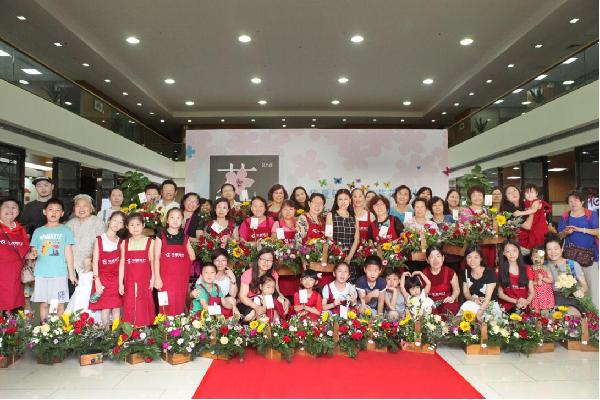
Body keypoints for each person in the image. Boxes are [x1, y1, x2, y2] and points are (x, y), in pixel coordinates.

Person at [30, 198, 77, 321]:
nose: (54, 212)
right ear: (44, 211)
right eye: (50, 209)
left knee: (57, 304)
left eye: (57, 210)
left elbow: (69, 253)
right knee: (44, 304)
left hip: (59, 274)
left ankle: (55, 329)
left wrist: (71, 273)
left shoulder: (66, 230)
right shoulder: (38, 231)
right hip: (41, 273)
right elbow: (33, 251)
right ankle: (44, 329)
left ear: (62, 213)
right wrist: (33, 253)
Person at [558, 190, 599, 307]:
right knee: (573, 287)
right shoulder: (565, 216)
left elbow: (598, 231)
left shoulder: (591, 215)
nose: (573, 203)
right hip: (570, 258)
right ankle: (579, 312)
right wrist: (565, 232)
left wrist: (581, 229)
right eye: (570, 201)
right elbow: (560, 235)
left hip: (590, 257)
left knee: (592, 286)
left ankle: (595, 312)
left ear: (582, 202)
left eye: (576, 200)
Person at [154, 208, 196, 316]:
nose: (175, 220)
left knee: (178, 303)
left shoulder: (185, 237)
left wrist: (186, 245)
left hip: (180, 279)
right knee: (164, 304)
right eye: (172, 217)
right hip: (164, 278)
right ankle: (164, 325)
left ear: (182, 221)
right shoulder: (161, 235)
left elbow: (192, 257)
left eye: (178, 218)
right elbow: (156, 258)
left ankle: (177, 325)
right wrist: (157, 278)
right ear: (167, 220)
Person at [118, 213, 155, 326]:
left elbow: (152, 261)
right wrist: (120, 283)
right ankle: (129, 330)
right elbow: (122, 263)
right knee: (129, 303)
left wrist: (153, 278)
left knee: (144, 303)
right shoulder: (124, 243)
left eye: (138, 224)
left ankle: (145, 330)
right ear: (127, 227)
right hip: (129, 280)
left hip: (145, 280)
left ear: (143, 225)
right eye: (132, 225)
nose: (135, 228)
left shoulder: (150, 242)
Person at [89, 211, 125, 328]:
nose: (116, 223)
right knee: (105, 308)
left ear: (122, 226)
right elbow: (95, 260)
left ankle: (115, 333)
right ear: (109, 220)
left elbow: (122, 263)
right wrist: (97, 280)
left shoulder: (121, 242)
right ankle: (106, 333)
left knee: (116, 308)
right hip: (102, 279)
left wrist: (121, 283)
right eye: (115, 220)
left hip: (115, 279)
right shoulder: (99, 239)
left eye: (120, 222)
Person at [0, 198, 35, 312]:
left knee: (13, 309)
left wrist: (30, 255)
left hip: (16, 278)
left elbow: (24, 251)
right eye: (6, 206)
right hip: (1, 276)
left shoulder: (21, 230)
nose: (10, 210)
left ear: (18, 212)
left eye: (14, 207)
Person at [238, 248, 289, 321]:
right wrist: (256, 307)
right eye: (263, 259)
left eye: (269, 260)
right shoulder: (248, 274)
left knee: (280, 309)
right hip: (249, 302)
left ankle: (274, 326)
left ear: (272, 262)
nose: (266, 262)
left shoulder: (273, 274)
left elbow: (277, 292)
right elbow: (242, 296)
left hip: (266, 300)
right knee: (251, 315)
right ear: (258, 260)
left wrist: (286, 301)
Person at [545, 234, 590, 315]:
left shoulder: (572, 264)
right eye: (549, 249)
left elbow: (585, 288)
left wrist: (580, 291)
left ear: (562, 249)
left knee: (569, 314)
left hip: (571, 300)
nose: (553, 252)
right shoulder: (545, 267)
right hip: (553, 300)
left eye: (556, 249)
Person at [66, 194, 105, 280]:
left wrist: (92, 262)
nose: (81, 209)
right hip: (70, 268)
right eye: (78, 206)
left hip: (90, 267)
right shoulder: (69, 224)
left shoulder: (98, 223)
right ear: (74, 209)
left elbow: (103, 246)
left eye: (85, 206)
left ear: (91, 209)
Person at [459, 245, 500, 321]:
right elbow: (466, 293)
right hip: (474, 303)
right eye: (469, 257)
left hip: (489, 305)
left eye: (476, 257)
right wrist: (474, 300)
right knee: (461, 317)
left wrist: (480, 312)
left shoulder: (489, 273)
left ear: (481, 258)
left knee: (490, 324)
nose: (472, 261)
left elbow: (488, 298)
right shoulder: (465, 272)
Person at [461, 185, 496, 268]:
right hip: (474, 248)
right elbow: (467, 230)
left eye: (479, 195)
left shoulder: (487, 210)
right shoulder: (465, 211)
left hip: (489, 245)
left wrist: (493, 219)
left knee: (488, 270)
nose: (477, 197)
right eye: (474, 195)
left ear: (483, 197)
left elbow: (493, 229)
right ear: (470, 198)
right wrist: (479, 218)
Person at [497, 240, 534, 313]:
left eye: (514, 250)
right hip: (507, 306)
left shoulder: (527, 268)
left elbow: (532, 291)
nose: (512, 254)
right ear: (503, 253)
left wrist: (527, 301)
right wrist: (516, 301)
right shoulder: (499, 270)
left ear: (518, 251)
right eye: (508, 251)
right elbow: (500, 294)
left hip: (524, 304)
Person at [422, 245, 460, 316]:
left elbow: (456, 290)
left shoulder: (450, 272)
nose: (435, 260)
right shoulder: (423, 274)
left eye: (438, 256)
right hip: (430, 305)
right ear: (427, 260)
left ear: (443, 258)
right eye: (432, 257)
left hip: (446, 303)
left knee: (449, 308)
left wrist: (452, 298)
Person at [326, 189, 360, 263]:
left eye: (345, 199)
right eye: (340, 199)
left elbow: (356, 240)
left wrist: (348, 258)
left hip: (351, 256)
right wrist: (339, 254)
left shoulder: (354, 217)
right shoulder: (330, 215)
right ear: (336, 201)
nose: (343, 202)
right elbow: (329, 237)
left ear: (350, 200)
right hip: (335, 256)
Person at [210, 248, 239, 315]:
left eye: (223, 260)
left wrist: (233, 278)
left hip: (223, 303)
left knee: (232, 300)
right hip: (209, 302)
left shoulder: (229, 275)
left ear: (227, 262)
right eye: (217, 260)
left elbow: (233, 295)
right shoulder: (208, 273)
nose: (220, 263)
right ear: (213, 262)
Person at [530, 246, 554, 312]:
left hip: (546, 294)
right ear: (532, 258)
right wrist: (536, 282)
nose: (538, 260)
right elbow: (528, 282)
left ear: (544, 259)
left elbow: (551, 280)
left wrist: (543, 278)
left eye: (541, 258)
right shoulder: (530, 268)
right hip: (536, 294)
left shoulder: (546, 268)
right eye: (536, 257)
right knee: (535, 311)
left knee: (546, 312)